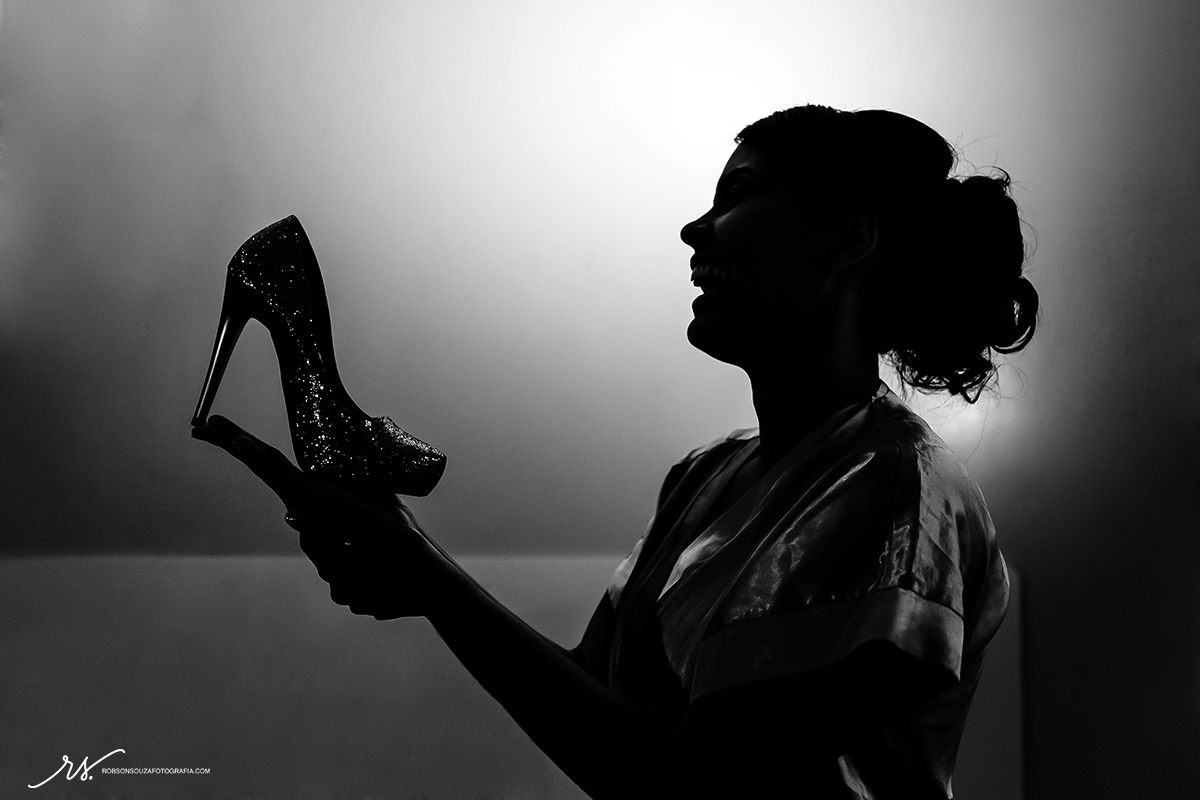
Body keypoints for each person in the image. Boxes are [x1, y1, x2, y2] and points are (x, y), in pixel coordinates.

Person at [194, 104, 1039, 798]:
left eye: (739, 194)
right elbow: (596, 697)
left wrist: (429, 578)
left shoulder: (901, 487)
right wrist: (412, 568)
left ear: (849, 239)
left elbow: (682, 786)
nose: (694, 229)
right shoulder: (704, 476)